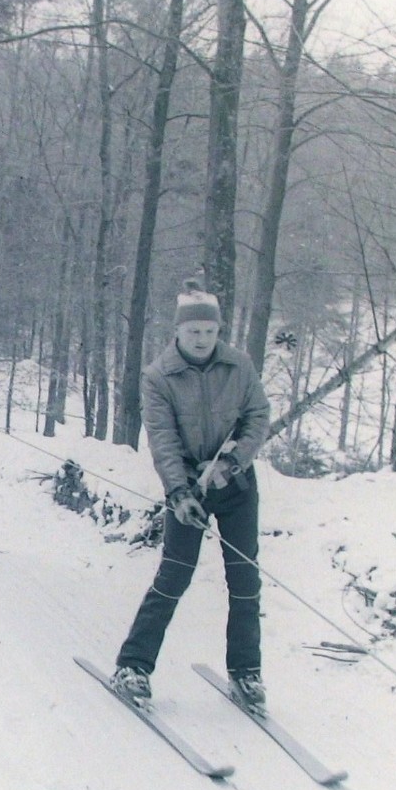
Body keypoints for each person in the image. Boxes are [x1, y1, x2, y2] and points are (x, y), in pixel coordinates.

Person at [111, 280, 272, 712]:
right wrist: (180, 492)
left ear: (218, 332)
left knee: (245, 580)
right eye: (193, 331)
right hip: (188, 490)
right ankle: (133, 666)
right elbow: (162, 440)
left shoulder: (239, 366)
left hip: (235, 486)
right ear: (178, 333)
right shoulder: (158, 376)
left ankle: (246, 672)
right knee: (174, 577)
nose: (201, 339)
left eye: (209, 331)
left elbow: (258, 415)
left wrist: (233, 461)